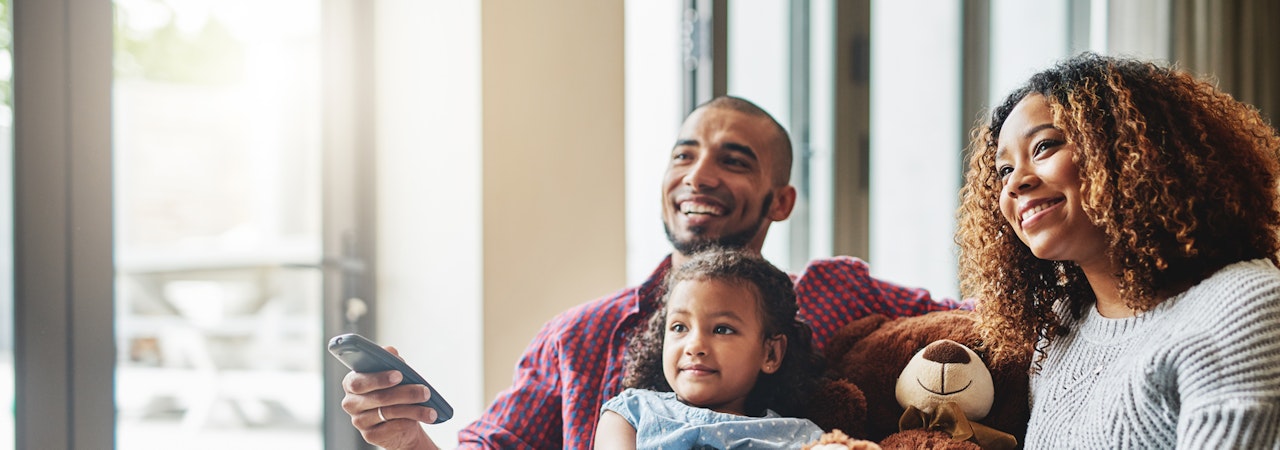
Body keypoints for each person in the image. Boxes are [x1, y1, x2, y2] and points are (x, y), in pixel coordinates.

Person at [342, 95, 966, 449]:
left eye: (734, 161)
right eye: (683, 156)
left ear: (780, 201)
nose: (699, 175)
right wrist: (408, 440)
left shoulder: (840, 294)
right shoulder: (579, 336)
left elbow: (982, 326)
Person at [956, 52, 1280, 448]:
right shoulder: (1061, 325)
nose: (1014, 183)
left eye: (1044, 146)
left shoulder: (1244, 303)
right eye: (1004, 170)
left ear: (1131, 150)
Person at [594, 248, 826, 449]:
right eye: (679, 327)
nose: (694, 346)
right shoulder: (631, 413)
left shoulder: (799, 436)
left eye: (722, 330)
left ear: (771, 354)